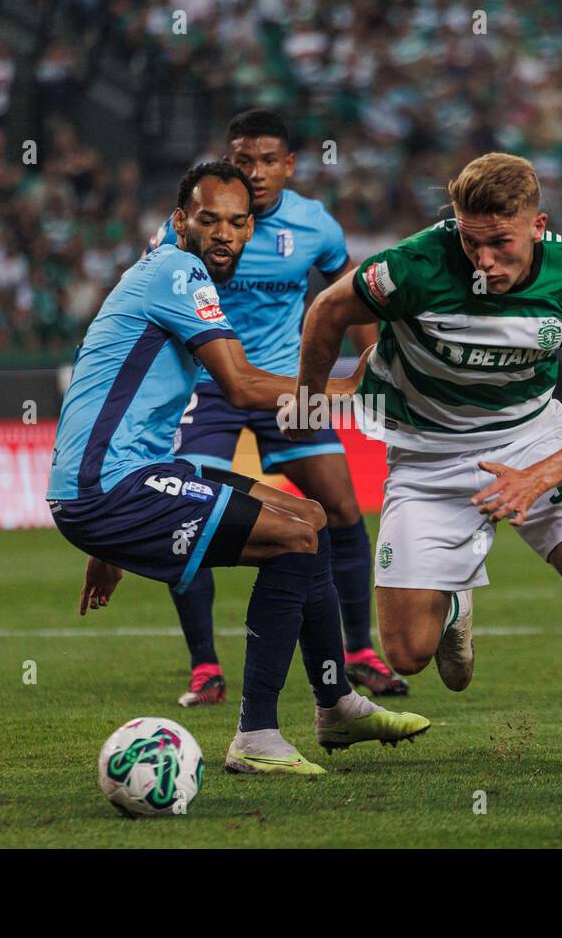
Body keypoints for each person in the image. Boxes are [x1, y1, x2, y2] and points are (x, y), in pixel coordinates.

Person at [293, 153, 562, 771]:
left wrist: (537, 478)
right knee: (407, 654)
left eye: (499, 243)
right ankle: (456, 602)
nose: (484, 260)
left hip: (530, 443)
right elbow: (329, 310)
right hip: (427, 454)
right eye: (470, 241)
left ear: (537, 225)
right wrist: (308, 403)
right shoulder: (413, 266)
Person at [48, 161, 428, 774]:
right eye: (208, 219)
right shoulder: (179, 270)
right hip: (110, 488)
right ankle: (256, 735)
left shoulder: (162, 276)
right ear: (180, 221)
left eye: (236, 222)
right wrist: (347, 389)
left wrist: (108, 545)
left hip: (120, 480)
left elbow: (117, 396)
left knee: (314, 518)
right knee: (296, 536)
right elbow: (243, 385)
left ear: (250, 229)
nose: (223, 232)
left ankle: (335, 701)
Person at [149, 109, 405, 706]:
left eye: (268, 160)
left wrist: (372, 368)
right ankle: (205, 666)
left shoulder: (315, 226)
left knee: (339, 504)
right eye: (243, 160)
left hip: (285, 387)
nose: (256, 172)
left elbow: (354, 298)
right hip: (207, 386)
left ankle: (359, 650)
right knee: (187, 507)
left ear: (289, 165)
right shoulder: (191, 224)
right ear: (228, 160)